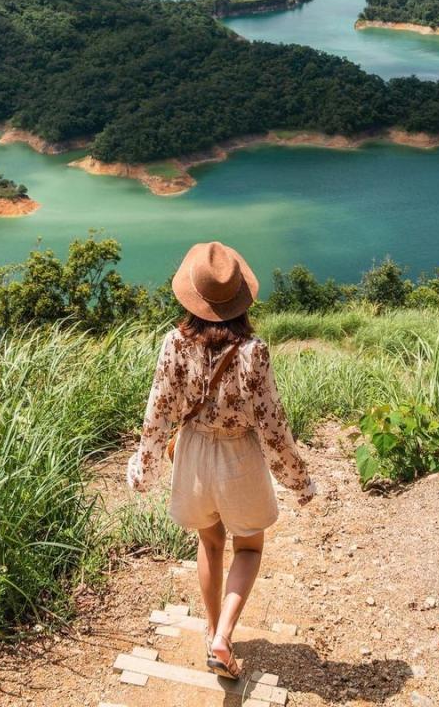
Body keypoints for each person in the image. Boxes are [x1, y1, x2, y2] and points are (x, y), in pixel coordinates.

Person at [127, 240, 316, 680]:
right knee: (248, 546)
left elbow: (158, 410)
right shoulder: (255, 351)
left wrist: (145, 466)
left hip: (191, 453)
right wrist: (299, 480)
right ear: (239, 300)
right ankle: (222, 636)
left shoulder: (174, 343)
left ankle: (211, 627)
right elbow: (272, 425)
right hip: (239, 456)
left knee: (209, 542)